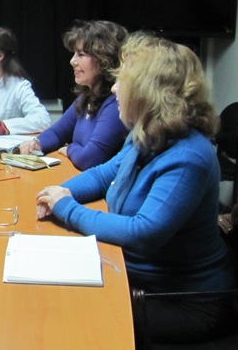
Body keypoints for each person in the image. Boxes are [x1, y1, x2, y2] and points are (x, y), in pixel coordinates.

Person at [35, 33, 235, 344]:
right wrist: (57, 192)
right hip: (137, 277)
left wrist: (66, 208)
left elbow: (142, 232)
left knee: (67, 318)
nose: (114, 89)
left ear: (148, 91)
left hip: (183, 300)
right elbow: (104, 174)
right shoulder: (146, 132)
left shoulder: (189, 156)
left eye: (122, 81)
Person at [17, 20, 129, 170]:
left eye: (81, 55)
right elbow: (57, 133)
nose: (72, 61)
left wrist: (70, 148)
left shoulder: (115, 103)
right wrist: (36, 143)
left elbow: (89, 159)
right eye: (74, 54)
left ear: (104, 60)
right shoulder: (86, 97)